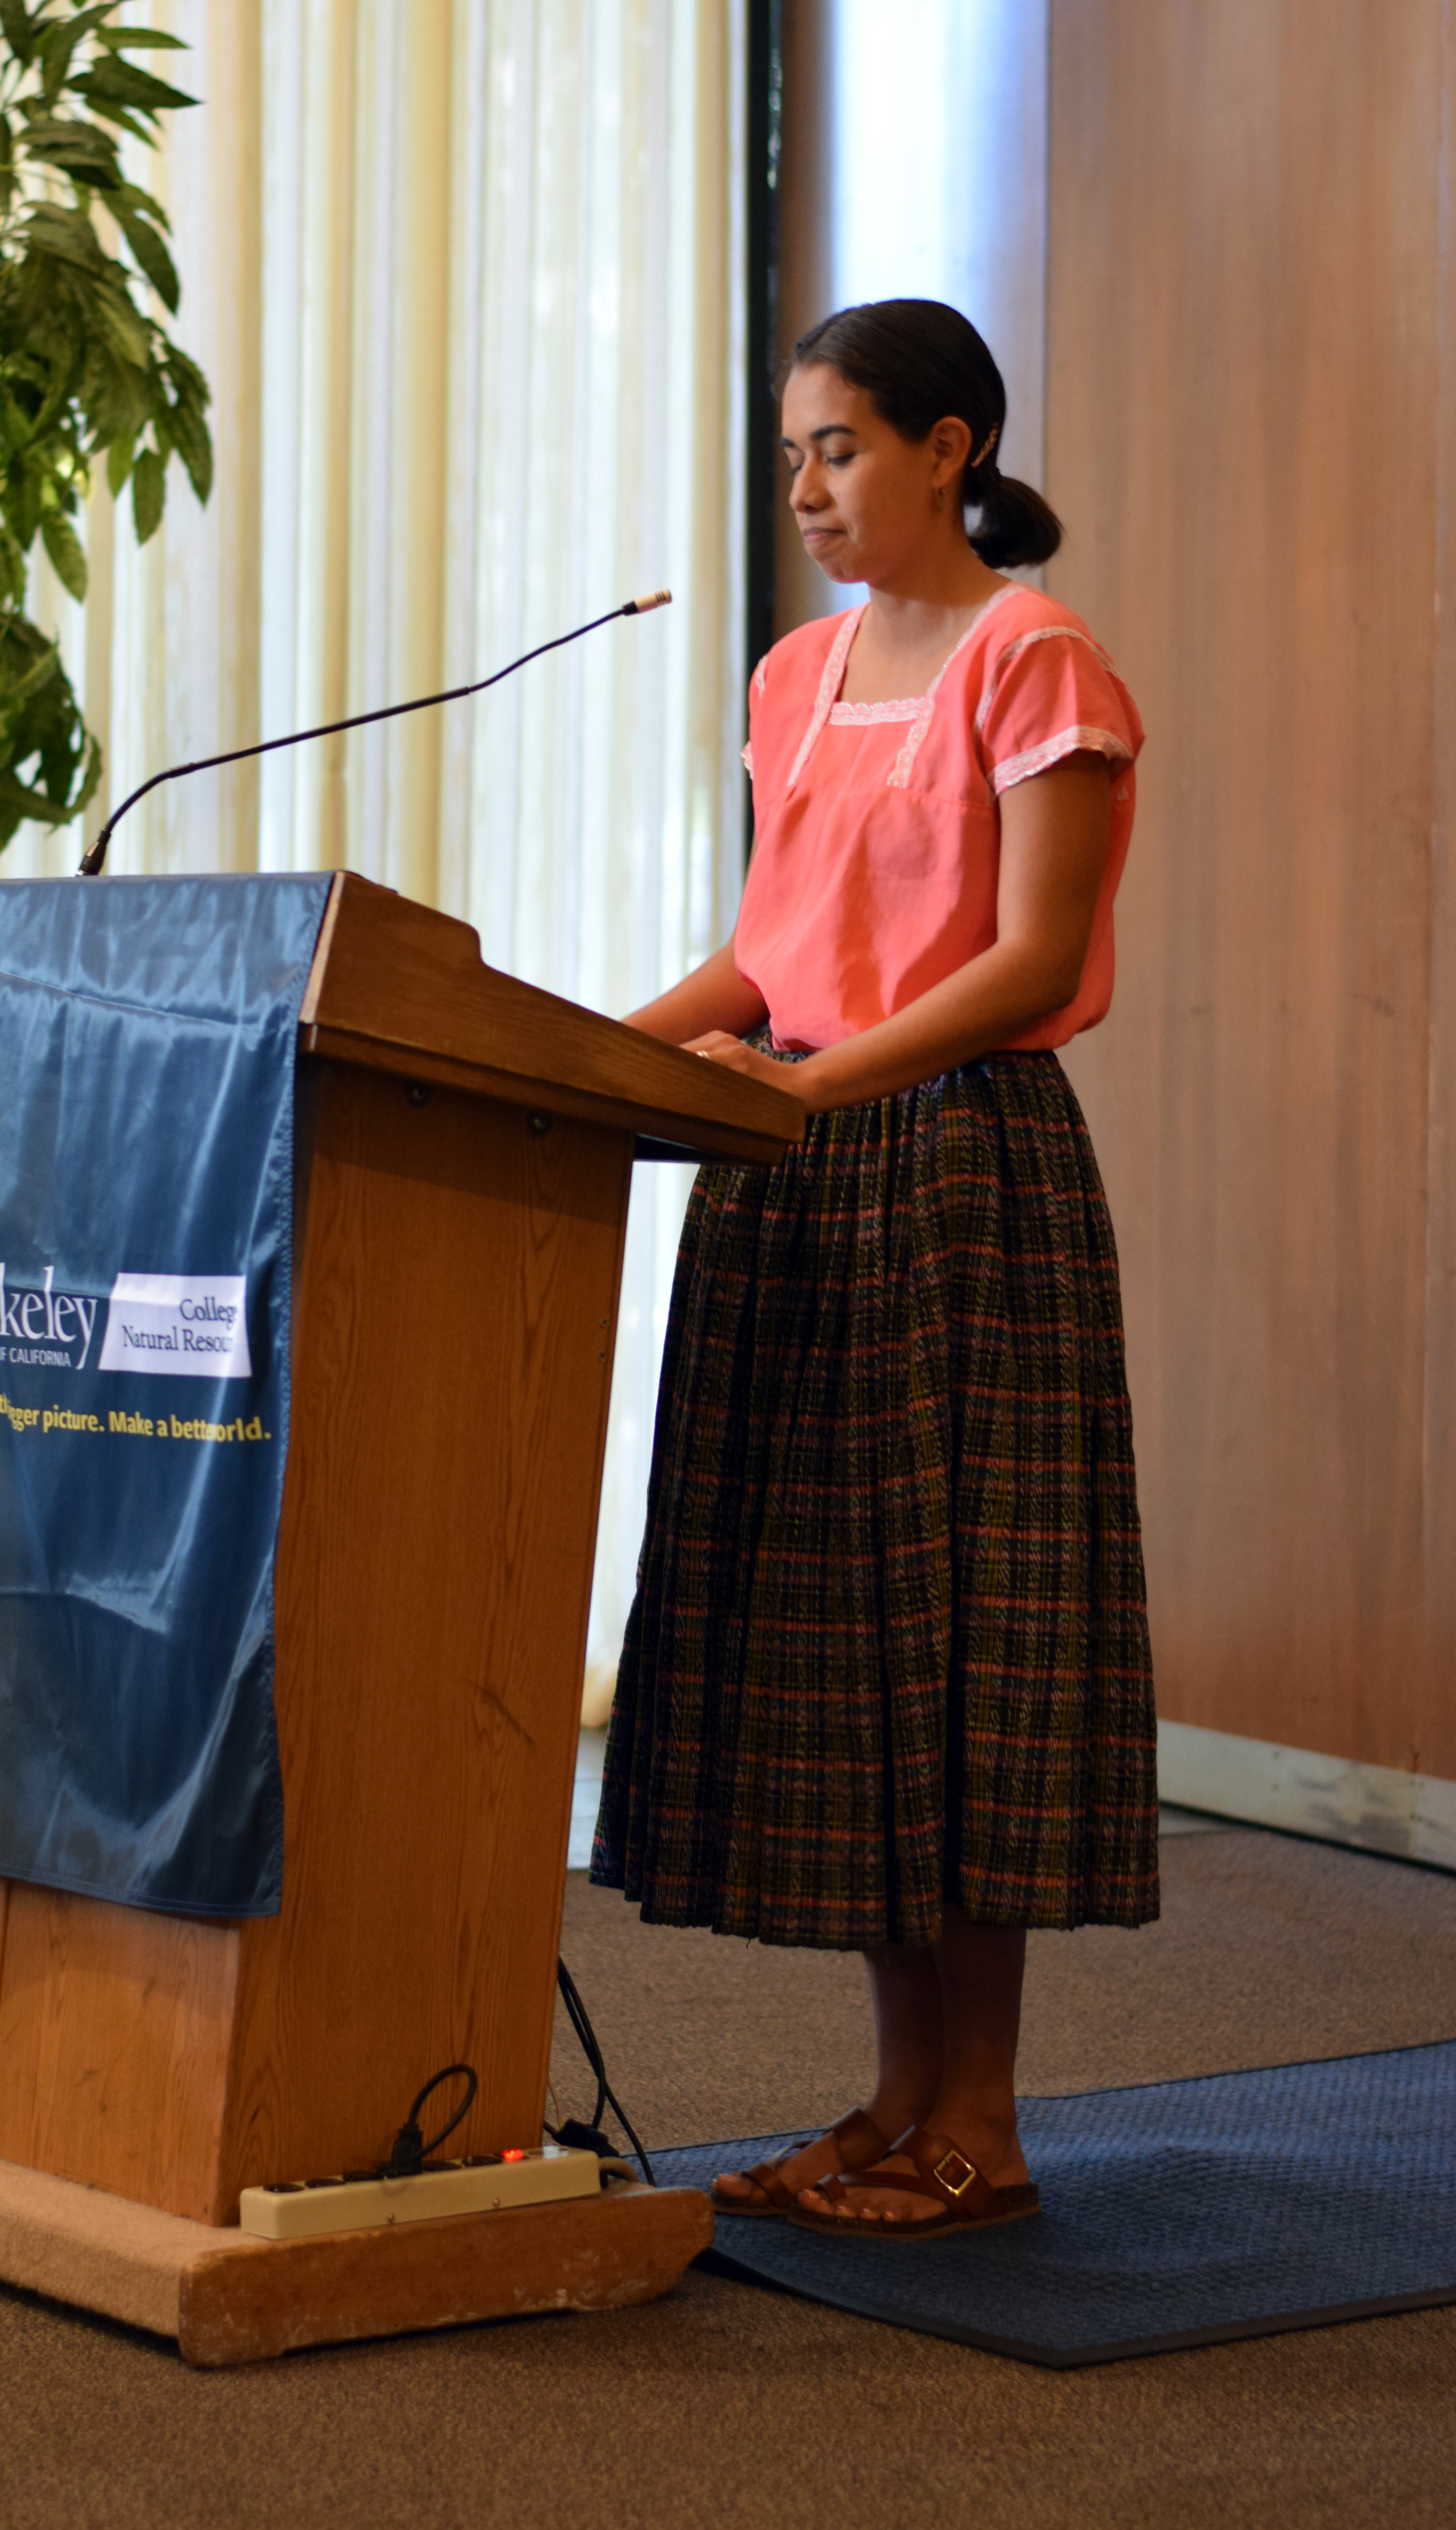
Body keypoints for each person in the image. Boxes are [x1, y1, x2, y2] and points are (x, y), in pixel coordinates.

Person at [590, 298, 1159, 2238]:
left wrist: (820, 1088)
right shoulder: (792, 677)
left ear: (952, 447)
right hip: (796, 1163)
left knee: (959, 1642)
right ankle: (894, 2095)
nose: (811, 490)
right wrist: (589, 1048)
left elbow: (1022, 955)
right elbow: (767, 953)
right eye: (793, 457)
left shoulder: (1038, 659)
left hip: (954, 1171)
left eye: (841, 448)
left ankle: (980, 2122)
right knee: (846, 1648)